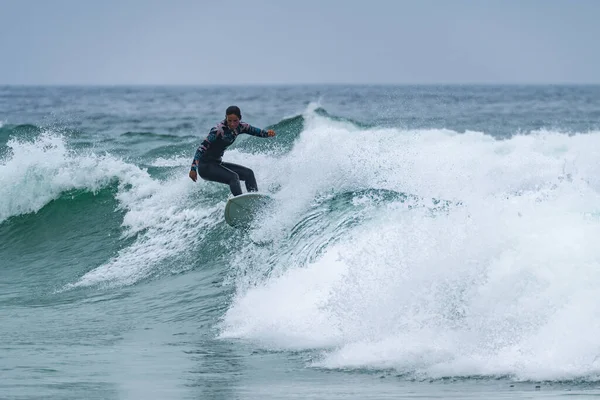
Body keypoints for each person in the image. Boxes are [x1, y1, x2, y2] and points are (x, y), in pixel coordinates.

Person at [188, 106, 276, 196]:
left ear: (240, 118)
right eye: (229, 120)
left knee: (248, 173)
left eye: (235, 121)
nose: (232, 124)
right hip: (206, 167)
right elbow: (201, 148)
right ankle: (240, 204)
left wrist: (267, 133)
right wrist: (193, 168)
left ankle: (254, 201)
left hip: (217, 163)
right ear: (226, 118)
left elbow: (256, 131)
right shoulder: (218, 130)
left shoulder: (241, 127)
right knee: (234, 177)